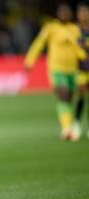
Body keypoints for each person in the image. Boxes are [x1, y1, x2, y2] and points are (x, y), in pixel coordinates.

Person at [24, 3, 86, 140]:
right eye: (62, 12)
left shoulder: (75, 29)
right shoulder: (50, 28)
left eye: (66, 12)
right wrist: (29, 60)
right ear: (58, 14)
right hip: (57, 69)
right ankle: (66, 129)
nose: (64, 14)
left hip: (73, 70)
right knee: (63, 94)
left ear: (70, 14)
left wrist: (83, 57)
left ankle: (68, 125)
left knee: (69, 97)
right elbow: (39, 43)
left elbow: (78, 48)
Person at [72, 2, 89, 140]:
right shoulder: (74, 30)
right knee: (81, 95)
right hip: (81, 69)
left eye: (85, 12)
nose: (83, 15)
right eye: (81, 13)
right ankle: (76, 124)